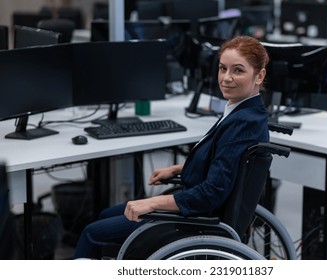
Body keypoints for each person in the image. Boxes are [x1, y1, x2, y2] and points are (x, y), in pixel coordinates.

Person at [73, 35, 270, 259]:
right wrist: (180, 169)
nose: (226, 78)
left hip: (200, 219)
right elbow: (223, 163)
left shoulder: (243, 122)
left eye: (237, 70)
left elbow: (212, 193)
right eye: (223, 68)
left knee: (92, 234)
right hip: (198, 208)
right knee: (105, 214)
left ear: (259, 75)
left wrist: (152, 202)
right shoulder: (244, 111)